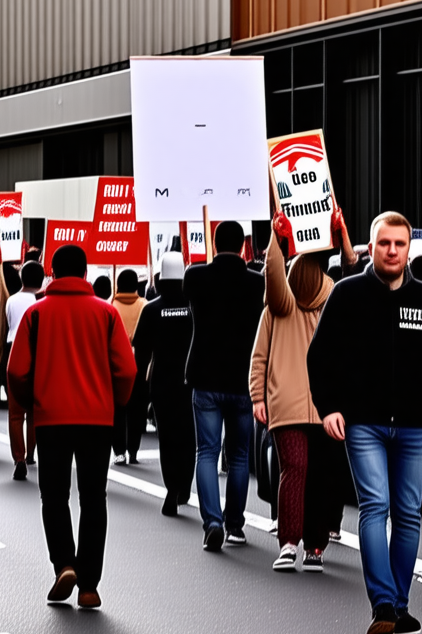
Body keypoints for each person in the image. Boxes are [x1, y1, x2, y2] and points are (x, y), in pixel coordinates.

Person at [306, 211, 422, 634]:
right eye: (384, 244)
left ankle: (399, 608)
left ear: (409, 249)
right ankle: (382, 604)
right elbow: (320, 355)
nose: (392, 251)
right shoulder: (348, 293)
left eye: (400, 245)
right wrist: (329, 406)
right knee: (375, 506)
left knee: (408, 515)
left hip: (412, 427)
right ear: (372, 247)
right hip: (363, 422)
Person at [7, 245, 136, 609]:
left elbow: (16, 371)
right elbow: (126, 370)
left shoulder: (36, 314)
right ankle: (90, 585)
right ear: (83, 273)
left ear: (52, 271)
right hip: (97, 418)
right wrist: (117, 402)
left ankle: (64, 563)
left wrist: (31, 399)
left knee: (54, 495)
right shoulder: (106, 313)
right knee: (94, 498)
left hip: (50, 418)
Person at [252, 215, 352, 573]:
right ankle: (315, 548)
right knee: (324, 476)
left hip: (285, 403)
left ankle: (288, 543)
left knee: (292, 471)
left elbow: (259, 356)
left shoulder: (277, 305)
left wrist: (257, 397)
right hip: (327, 406)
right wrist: (342, 237)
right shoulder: (336, 301)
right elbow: (354, 275)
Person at [184, 221, 265, 552]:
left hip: (204, 374)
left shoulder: (195, 276)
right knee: (240, 455)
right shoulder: (257, 282)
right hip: (243, 378)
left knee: (206, 451)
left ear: (214, 243)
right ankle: (235, 524)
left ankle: (212, 522)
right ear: (244, 246)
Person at [131, 253, 194, 516]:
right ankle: (185, 487)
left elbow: (141, 352)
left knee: (167, 439)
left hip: (162, 382)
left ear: (159, 278)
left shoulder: (152, 309)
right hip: (191, 381)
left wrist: (140, 387)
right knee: (190, 438)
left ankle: (171, 487)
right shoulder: (195, 306)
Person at [2, 261, 44, 469]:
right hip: (38, 352)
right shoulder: (43, 300)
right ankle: (31, 454)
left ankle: (18, 457)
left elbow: (9, 325)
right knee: (34, 410)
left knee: (15, 411)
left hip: (14, 350)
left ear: (22, 278)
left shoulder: (11, 300)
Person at [110, 268, 148, 465]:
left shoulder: (110, 305)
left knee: (118, 409)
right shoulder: (144, 305)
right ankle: (133, 450)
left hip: (115, 365)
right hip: (140, 364)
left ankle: (119, 451)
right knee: (137, 409)